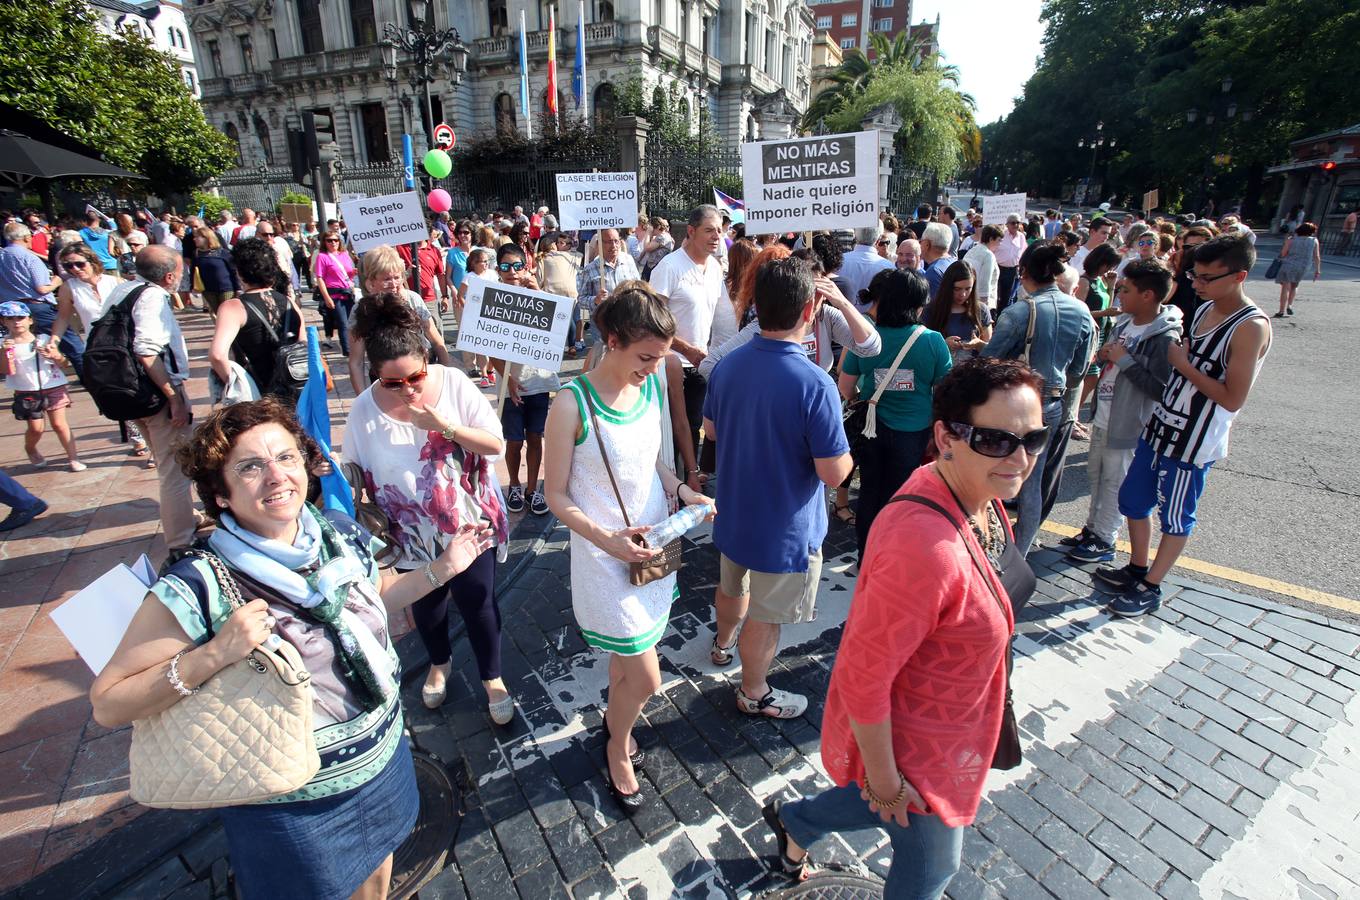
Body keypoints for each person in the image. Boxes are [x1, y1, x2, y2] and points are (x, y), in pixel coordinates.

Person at [90, 398, 494, 900]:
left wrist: (444, 568)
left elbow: (379, 596)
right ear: (220, 493)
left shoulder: (337, 534)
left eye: (285, 458)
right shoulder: (200, 583)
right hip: (292, 799)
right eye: (250, 467)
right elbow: (109, 701)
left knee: (378, 877)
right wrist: (213, 654)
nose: (276, 476)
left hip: (383, 759)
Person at [763, 358, 1042, 896]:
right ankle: (799, 820)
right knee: (934, 867)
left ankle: (795, 821)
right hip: (916, 749)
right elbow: (864, 677)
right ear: (947, 436)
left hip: (947, 725)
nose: (1020, 459)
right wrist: (888, 784)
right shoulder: (923, 544)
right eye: (995, 439)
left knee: (891, 820)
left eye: (1033, 438)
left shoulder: (976, 495)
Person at [543, 281, 714, 809]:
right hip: (603, 557)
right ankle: (617, 742)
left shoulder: (651, 384)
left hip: (649, 547)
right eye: (645, 356)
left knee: (626, 665)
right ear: (612, 339)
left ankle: (615, 722)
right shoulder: (570, 405)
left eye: (660, 356)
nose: (654, 366)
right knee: (647, 674)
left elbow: (648, 460)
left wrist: (680, 488)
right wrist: (607, 543)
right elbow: (554, 495)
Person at [341, 296, 514, 721]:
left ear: (424, 358)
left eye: (414, 377)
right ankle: (439, 662)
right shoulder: (365, 407)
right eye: (392, 383)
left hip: (468, 522)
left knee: (478, 601)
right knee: (428, 605)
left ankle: (492, 676)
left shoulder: (453, 382)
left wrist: (446, 428)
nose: (407, 390)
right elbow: (355, 472)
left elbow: (495, 444)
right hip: (409, 533)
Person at [703, 257, 853, 719]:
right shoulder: (815, 382)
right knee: (766, 618)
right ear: (810, 309)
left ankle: (722, 644)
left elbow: (710, 431)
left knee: (732, 588)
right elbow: (834, 473)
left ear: (755, 306)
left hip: (734, 511)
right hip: (784, 529)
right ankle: (753, 690)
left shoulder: (727, 366)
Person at [1096, 235, 1271, 615]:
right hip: (1161, 426)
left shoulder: (1250, 326)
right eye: (1195, 275)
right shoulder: (1205, 309)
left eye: (1207, 278)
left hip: (1193, 440)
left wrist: (1184, 366)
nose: (1197, 284)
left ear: (1239, 276)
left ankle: (1151, 586)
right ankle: (1138, 567)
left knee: (1175, 516)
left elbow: (1232, 397)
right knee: (1132, 499)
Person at [1061, 260, 1181, 564]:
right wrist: (1107, 354)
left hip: (1129, 422)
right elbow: (1113, 356)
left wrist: (1125, 361)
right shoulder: (1125, 323)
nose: (1119, 297)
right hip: (1104, 414)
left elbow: (1160, 388)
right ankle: (1092, 530)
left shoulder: (1164, 337)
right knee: (1096, 475)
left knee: (1116, 481)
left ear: (1148, 295)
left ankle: (1105, 538)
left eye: (1126, 290)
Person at [981, 243, 1096, 555]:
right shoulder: (1081, 310)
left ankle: (989, 538)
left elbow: (989, 361)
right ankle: (1019, 551)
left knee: (992, 469)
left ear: (1023, 272)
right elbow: (1079, 368)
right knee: (1033, 481)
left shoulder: (1020, 312)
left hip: (1017, 402)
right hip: (1055, 403)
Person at [840, 270, 952, 557]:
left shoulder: (866, 338)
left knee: (869, 492)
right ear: (916, 304)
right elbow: (944, 392)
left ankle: (866, 554)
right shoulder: (933, 341)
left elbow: (845, 385)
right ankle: (891, 557)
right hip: (913, 432)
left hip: (870, 428)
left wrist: (866, 398)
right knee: (901, 494)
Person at [107, 246, 201, 552]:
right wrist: (174, 396)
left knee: (167, 465)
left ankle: (187, 518)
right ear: (170, 275)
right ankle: (181, 542)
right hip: (156, 394)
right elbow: (147, 351)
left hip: (131, 392)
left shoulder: (123, 290)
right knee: (175, 471)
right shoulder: (151, 298)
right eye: (181, 273)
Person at [648, 205, 724, 475]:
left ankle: (690, 479)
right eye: (709, 230)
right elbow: (652, 319)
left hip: (702, 363)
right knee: (674, 430)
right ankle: (677, 487)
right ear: (691, 232)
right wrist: (685, 349)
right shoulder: (669, 267)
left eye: (719, 229)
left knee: (694, 427)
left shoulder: (715, 268)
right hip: (670, 364)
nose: (716, 235)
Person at [489, 243, 557, 516]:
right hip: (510, 383)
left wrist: (537, 291)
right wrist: (509, 380)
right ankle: (514, 485)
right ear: (498, 270)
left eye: (517, 266)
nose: (512, 272)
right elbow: (485, 344)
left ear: (526, 267)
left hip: (538, 380)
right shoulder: (492, 299)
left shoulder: (538, 295)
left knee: (535, 437)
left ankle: (532, 489)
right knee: (514, 440)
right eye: (506, 267)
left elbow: (555, 327)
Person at [209, 238, 304, 401]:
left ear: (239, 272)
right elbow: (303, 345)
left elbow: (217, 355)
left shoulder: (233, 308)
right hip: (293, 388)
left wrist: (238, 387)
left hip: (258, 393)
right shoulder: (289, 302)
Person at [347, 247, 453, 392]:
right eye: (386, 279)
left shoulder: (413, 299)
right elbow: (356, 362)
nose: (394, 284)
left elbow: (437, 342)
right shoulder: (361, 310)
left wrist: (447, 382)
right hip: (387, 383)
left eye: (397, 277)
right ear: (371, 282)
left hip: (421, 375)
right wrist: (363, 401)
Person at [1, 301, 85, 470]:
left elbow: (64, 364)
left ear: (30, 320)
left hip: (54, 385)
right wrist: (4, 353)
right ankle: (30, 448)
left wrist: (54, 355)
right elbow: (4, 370)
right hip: (26, 390)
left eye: (21, 317)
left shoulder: (44, 339)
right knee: (36, 429)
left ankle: (73, 458)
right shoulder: (4, 343)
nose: (17, 322)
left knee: (59, 424)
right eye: (10, 318)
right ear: (4, 322)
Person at [1071, 243, 1123, 439]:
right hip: (1088, 333)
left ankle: (1074, 416)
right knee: (1086, 377)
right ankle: (1072, 417)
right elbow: (1080, 311)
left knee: (1092, 378)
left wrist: (1110, 287)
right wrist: (1104, 312)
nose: (1110, 270)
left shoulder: (1100, 281)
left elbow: (1107, 306)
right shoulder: (1084, 282)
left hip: (1100, 333)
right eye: (1109, 265)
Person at [577, 227, 640, 355]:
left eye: (616, 241)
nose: (614, 245)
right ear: (600, 244)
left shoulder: (628, 261)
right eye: (609, 241)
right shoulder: (590, 269)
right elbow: (581, 299)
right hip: (602, 326)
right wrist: (595, 300)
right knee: (605, 360)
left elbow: (639, 287)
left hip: (627, 321)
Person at [925, 260, 993, 365]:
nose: (963, 294)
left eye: (968, 289)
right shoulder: (931, 310)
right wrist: (943, 345)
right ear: (947, 287)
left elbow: (990, 348)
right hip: (942, 373)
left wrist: (978, 344)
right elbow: (923, 346)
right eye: (957, 289)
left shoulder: (981, 310)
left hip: (972, 373)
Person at [312, 230, 358, 356]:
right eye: (329, 240)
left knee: (352, 322)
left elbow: (347, 273)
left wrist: (353, 273)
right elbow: (319, 278)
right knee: (342, 322)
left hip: (348, 292)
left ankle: (354, 347)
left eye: (335, 240)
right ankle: (347, 350)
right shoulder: (322, 257)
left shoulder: (344, 254)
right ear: (324, 242)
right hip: (334, 294)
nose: (333, 243)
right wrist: (326, 298)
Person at [457, 247, 496, 386]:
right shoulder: (469, 277)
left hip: (492, 314)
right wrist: (468, 309)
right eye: (482, 262)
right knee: (481, 347)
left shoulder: (492, 274)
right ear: (474, 263)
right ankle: (484, 375)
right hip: (477, 317)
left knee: (494, 346)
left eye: (487, 261)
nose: (485, 264)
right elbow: (460, 296)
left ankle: (491, 371)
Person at [839, 224, 895, 309]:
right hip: (874, 320)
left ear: (856, 238)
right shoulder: (889, 267)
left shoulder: (839, 261)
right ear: (878, 240)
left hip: (842, 317)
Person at [1272, 221, 1321, 318]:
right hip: (1304, 266)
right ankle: (1290, 305)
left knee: (1285, 287)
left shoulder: (1291, 240)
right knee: (1294, 286)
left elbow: (1283, 254)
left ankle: (1281, 310)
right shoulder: (1314, 241)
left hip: (1288, 264)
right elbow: (1317, 256)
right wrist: (1317, 270)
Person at [191, 226, 240, 318]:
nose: (195, 239)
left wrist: (238, 288)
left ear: (207, 238)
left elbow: (234, 271)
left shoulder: (223, 253)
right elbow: (193, 270)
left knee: (228, 314)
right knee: (216, 314)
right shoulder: (197, 253)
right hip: (208, 289)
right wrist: (193, 286)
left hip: (226, 289)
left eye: (198, 237)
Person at [962, 225, 1002, 309]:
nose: (1000, 244)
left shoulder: (972, 250)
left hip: (969, 299)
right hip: (983, 304)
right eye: (999, 240)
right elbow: (985, 282)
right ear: (991, 239)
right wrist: (984, 308)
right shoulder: (988, 255)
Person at [994, 215, 1027, 310]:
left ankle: (1001, 317)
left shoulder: (1021, 237)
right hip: (998, 268)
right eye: (1013, 223)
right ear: (1007, 224)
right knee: (995, 295)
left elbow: (1024, 252)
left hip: (1012, 271)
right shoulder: (1001, 234)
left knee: (1006, 297)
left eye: (1018, 222)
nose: (1015, 225)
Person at [919, 222, 956, 298]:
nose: (919, 245)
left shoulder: (934, 272)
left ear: (926, 244)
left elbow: (932, 307)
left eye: (921, 241)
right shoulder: (955, 263)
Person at [81, 210, 120, 274]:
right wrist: (107, 219)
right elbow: (114, 226)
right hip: (113, 264)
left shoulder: (81, 233)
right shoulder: (109, 233)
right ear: (99, 219)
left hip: (96, 267)